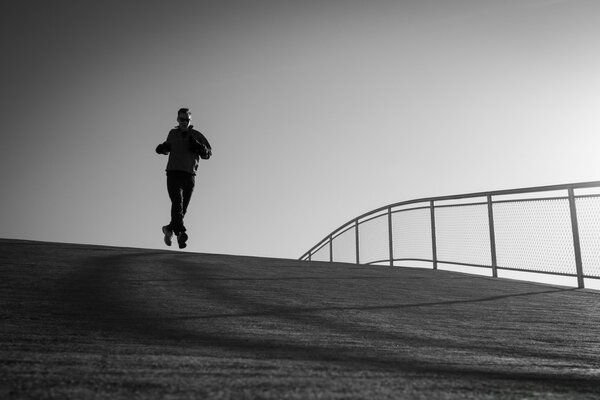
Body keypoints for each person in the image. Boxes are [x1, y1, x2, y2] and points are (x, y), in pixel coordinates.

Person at [155, 108, 212, 248]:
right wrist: (162, 148)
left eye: (187, 119)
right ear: (177, 120)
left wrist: (200, 148)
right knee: (177, 203)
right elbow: (167, 148)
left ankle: (169, 229)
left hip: (190, 175)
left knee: (182, 209)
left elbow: (208, 153)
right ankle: (181, 233)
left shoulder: (197, 135)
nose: (184, 122)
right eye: (182, 119)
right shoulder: (172, 133)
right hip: (173, 173)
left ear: (190, 121)